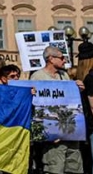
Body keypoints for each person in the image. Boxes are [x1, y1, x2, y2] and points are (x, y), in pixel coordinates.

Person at [31, 46, 83, 174]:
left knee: (74, 168)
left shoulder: (64, 75)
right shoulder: (37, 77)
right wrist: (49, 134)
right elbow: (37, 108)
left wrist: (77, 88)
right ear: (51, 59)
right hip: (53, 136)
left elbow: (70, 101)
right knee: (55, 168)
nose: (64, 60)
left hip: (70, 132)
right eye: (61, 58)